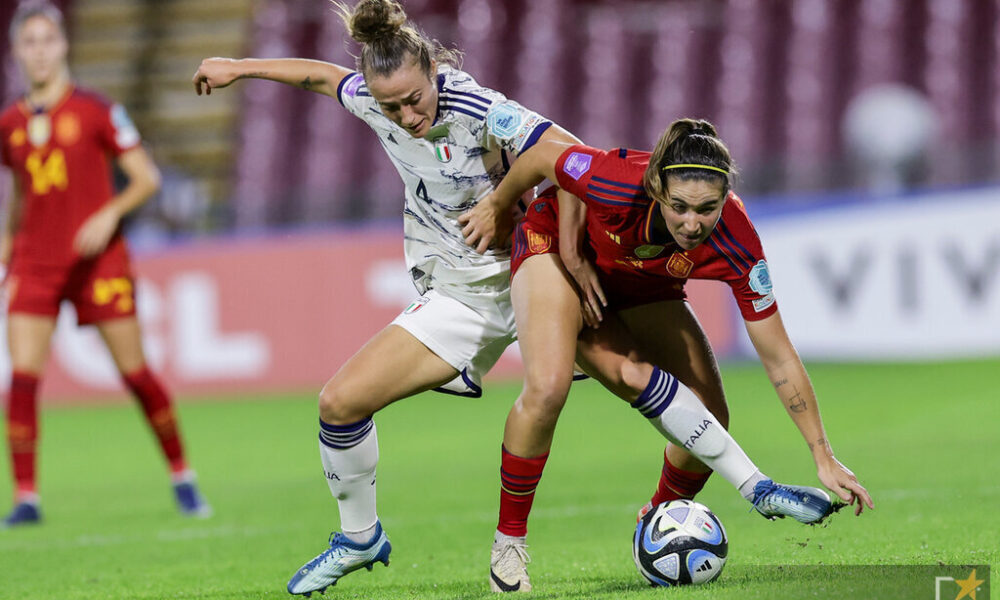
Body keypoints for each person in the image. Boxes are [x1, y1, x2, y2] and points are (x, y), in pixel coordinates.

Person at [192, 0, 589, 595]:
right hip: (460, 297)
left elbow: (572, 153)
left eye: (414, 99)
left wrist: (506, 200)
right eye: (390, 106)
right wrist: (238, 66)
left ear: (433, 70)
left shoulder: (480, 107)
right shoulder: (374, 104)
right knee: (339, 402)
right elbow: (323, 76)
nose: (406, 115)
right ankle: (359, 537)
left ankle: (750, 486)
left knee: (644, 382)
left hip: (537, 278)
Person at [460, 118, 873, 591]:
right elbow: (541, 157)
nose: (692, 223)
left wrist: (823, 456)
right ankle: (508, 543)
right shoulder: (618, 180)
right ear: (657, 188)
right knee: (551, 387)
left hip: (642, 282)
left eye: (707, 209)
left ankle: (658, 520)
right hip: (555, 249)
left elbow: (778, 356)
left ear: (726, 198)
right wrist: (502, 208)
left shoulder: (737, 240)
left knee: (710, 415)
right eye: (678, 207)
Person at [0, 1, 210, 528]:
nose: (40, 51)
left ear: (64, 44)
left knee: (135, 373)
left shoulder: (95, 110)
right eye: (30, 42)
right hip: (37, 261)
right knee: (23, 377)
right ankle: (27, 497)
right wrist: (8, 238)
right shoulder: (10, 124)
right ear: (17, 50)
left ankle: (182, 476)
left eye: (48, 40)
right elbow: (22, 193)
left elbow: (147, 178)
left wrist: (107, 214)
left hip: (99, 262)